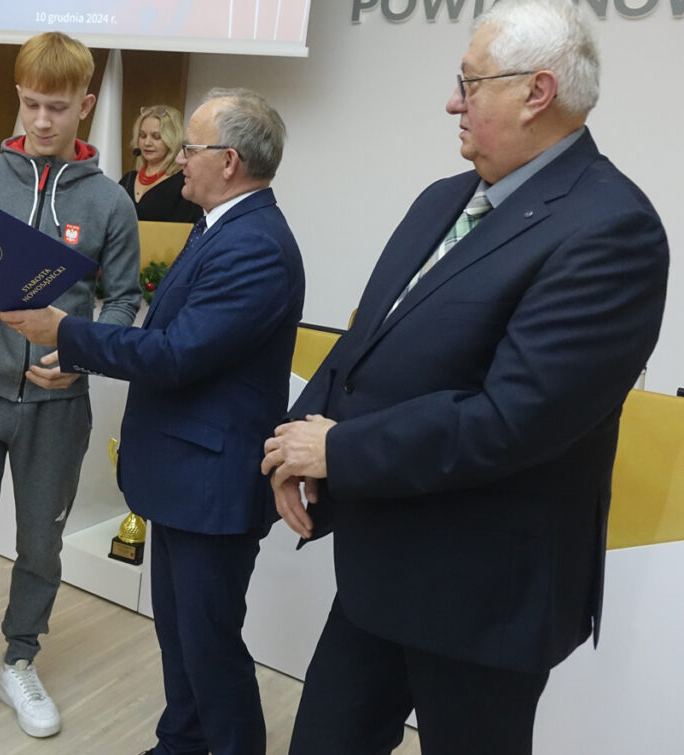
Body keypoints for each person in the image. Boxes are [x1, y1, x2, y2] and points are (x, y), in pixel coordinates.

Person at [260, 1, 669, 753]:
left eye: (469, 83)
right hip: (383, 566)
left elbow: (511, 420)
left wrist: (339, 450)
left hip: (484, 597)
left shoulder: (612, 229)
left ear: (537, 92)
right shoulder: (443, 199)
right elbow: (365, 341)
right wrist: (297, 442)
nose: (453, 102)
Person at [0, 88, 305, 755]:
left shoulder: (254, 244)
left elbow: (176, 354)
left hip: (211, 487)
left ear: (228, 160)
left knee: (208, 645)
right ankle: (181, 743)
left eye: (190, 148)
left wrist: (67, 333)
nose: (178, 160)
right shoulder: (218, 226)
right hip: (184, 478)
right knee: (182, 635)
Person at [0, 32, 141, 755]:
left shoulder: (110, 202)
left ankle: (19, 661)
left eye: (59, 107)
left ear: (86, 105)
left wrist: (80, 355)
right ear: (19, 97)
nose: (43, 120)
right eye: (32, 104)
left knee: (41, 546)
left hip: (57, 404)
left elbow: (123, 301)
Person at [119, 105, 202, 223]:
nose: (147, 143)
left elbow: (186, 229)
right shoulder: (127, 180)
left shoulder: (185, 182)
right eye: (142, 136)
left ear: (172, 139)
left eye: (156, 137)